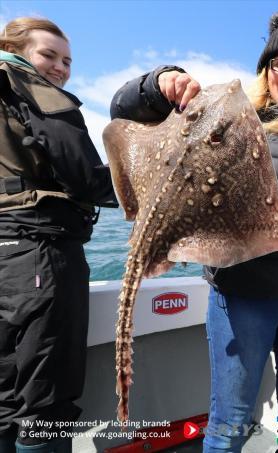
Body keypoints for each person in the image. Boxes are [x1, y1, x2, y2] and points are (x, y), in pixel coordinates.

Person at [110, 10, 278, 453]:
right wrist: (160, 82)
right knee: (231, 416)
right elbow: (127, 111)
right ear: (266, 70)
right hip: (242, 292)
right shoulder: (232, 119)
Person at [0, 17, 117, 453]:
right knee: (45, 401)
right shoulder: (29, 86)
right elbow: (84, 176)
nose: (60, 68)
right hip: (40, 253)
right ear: (15, 49)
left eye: (67, 60)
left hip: (6, 251)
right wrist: (150, 188)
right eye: (48, 54)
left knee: (6, 392)